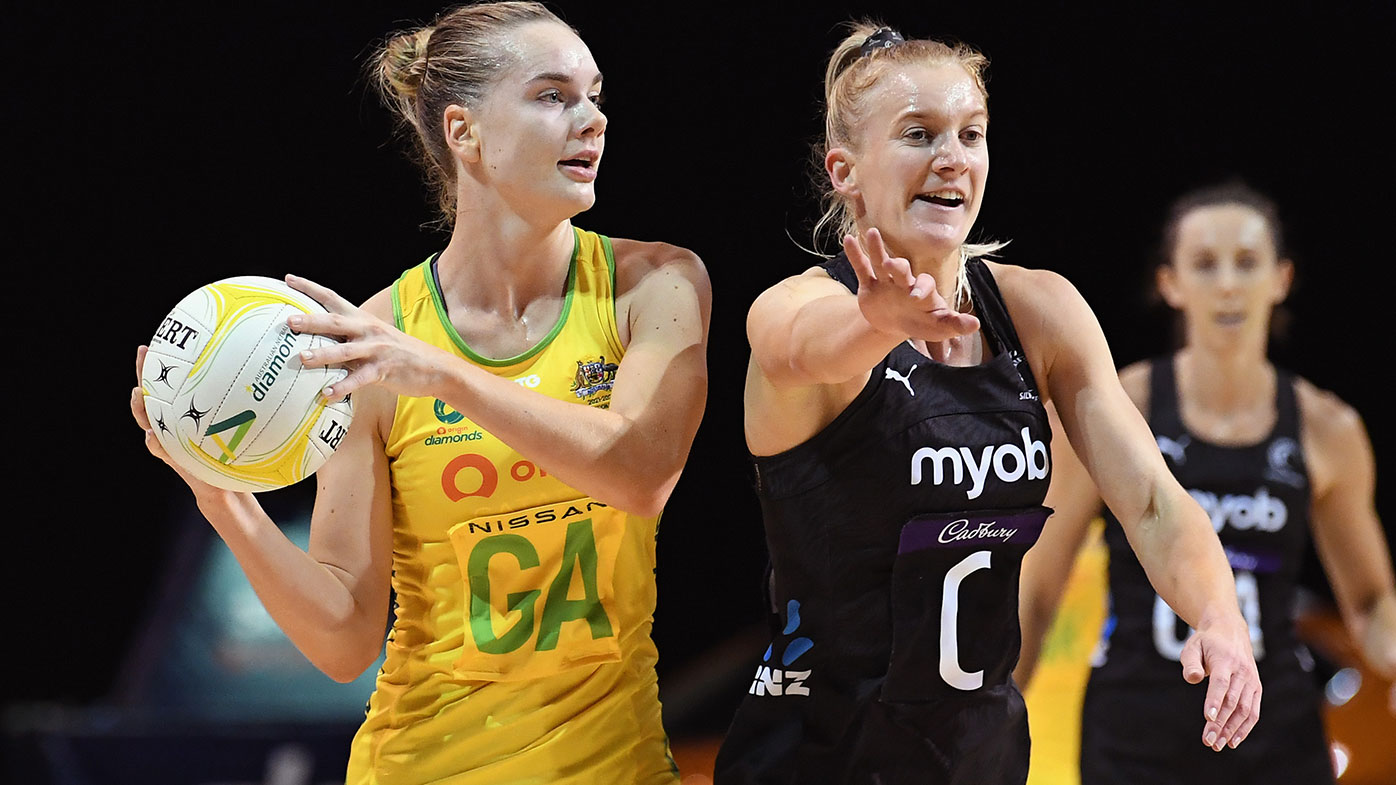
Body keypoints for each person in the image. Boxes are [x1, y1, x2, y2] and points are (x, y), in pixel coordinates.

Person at [129, 3, 711, 783]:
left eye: (595, 94)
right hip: (419, 762)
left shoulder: (655, 285)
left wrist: (442, 375)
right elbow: (344, 639)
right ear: (465, 133)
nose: (592, 119)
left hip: (613, 764)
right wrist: (222, 498)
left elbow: (642, 474)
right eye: (552, 96)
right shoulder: (376, 336)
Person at [711, 22, 1261, 785]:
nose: (952, 158)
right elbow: (801, 347)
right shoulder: (797, 308)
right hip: (820, 758)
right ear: (845, 170)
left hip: (977, 757)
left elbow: (1153, 502)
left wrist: (1219, 617)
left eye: (971, 134)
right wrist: (879, 319)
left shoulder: (1040, 311)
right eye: (918, 133)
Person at [1015, 180, 1396, 784]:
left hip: (1276, 739)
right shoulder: (1112, 406)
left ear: (1281, 279)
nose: (1226, 283)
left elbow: (1371, 605)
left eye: (1247, 263)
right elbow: (1036, 594)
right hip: (1133, 736)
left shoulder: (1328, 430)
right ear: (1170, 283)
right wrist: (989, 725)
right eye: (1205, 263)